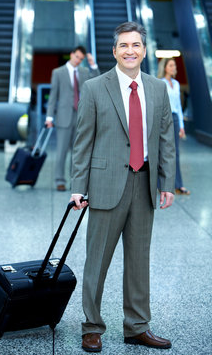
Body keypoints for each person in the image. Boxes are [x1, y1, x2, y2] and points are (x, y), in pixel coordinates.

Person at [70, 21, 176, 352]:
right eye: (124, 46)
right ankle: (92, 326)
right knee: (97, 260)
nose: (130, 51)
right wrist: (78, 186)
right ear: (114, 51)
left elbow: (165, 138)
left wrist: (167, 181)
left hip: (143, 184)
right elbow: (82, 141)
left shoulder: (158, 88)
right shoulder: (94, 88)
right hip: (104, 185)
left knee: (139, 260)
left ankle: (137, 326)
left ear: (144, 51)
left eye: (136, 45)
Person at [45, 46, 100, 191]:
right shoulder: (58, 72)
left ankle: (75, 182)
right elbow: (53, 96)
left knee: (78, 153)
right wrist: (49, 117)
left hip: (81, 116)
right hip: (64, 116)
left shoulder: (84, 71)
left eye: (81, 59)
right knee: (62, 151)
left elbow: (98, 81)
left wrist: (92, 64)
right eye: (77, 57)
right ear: (71, 55)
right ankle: (59, 180)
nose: (78, 60)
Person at [158, 58, 190, 195]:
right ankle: (160, 184)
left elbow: (178, 106)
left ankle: (178, 185)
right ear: (165, 67)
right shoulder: (160, 84)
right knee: (162, 152)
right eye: (171, 65)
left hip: (175, 118)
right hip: (163, 119)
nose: (173, 67)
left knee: (175, 153)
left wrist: (182, 126)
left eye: (174, 65)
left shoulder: (176, 84)